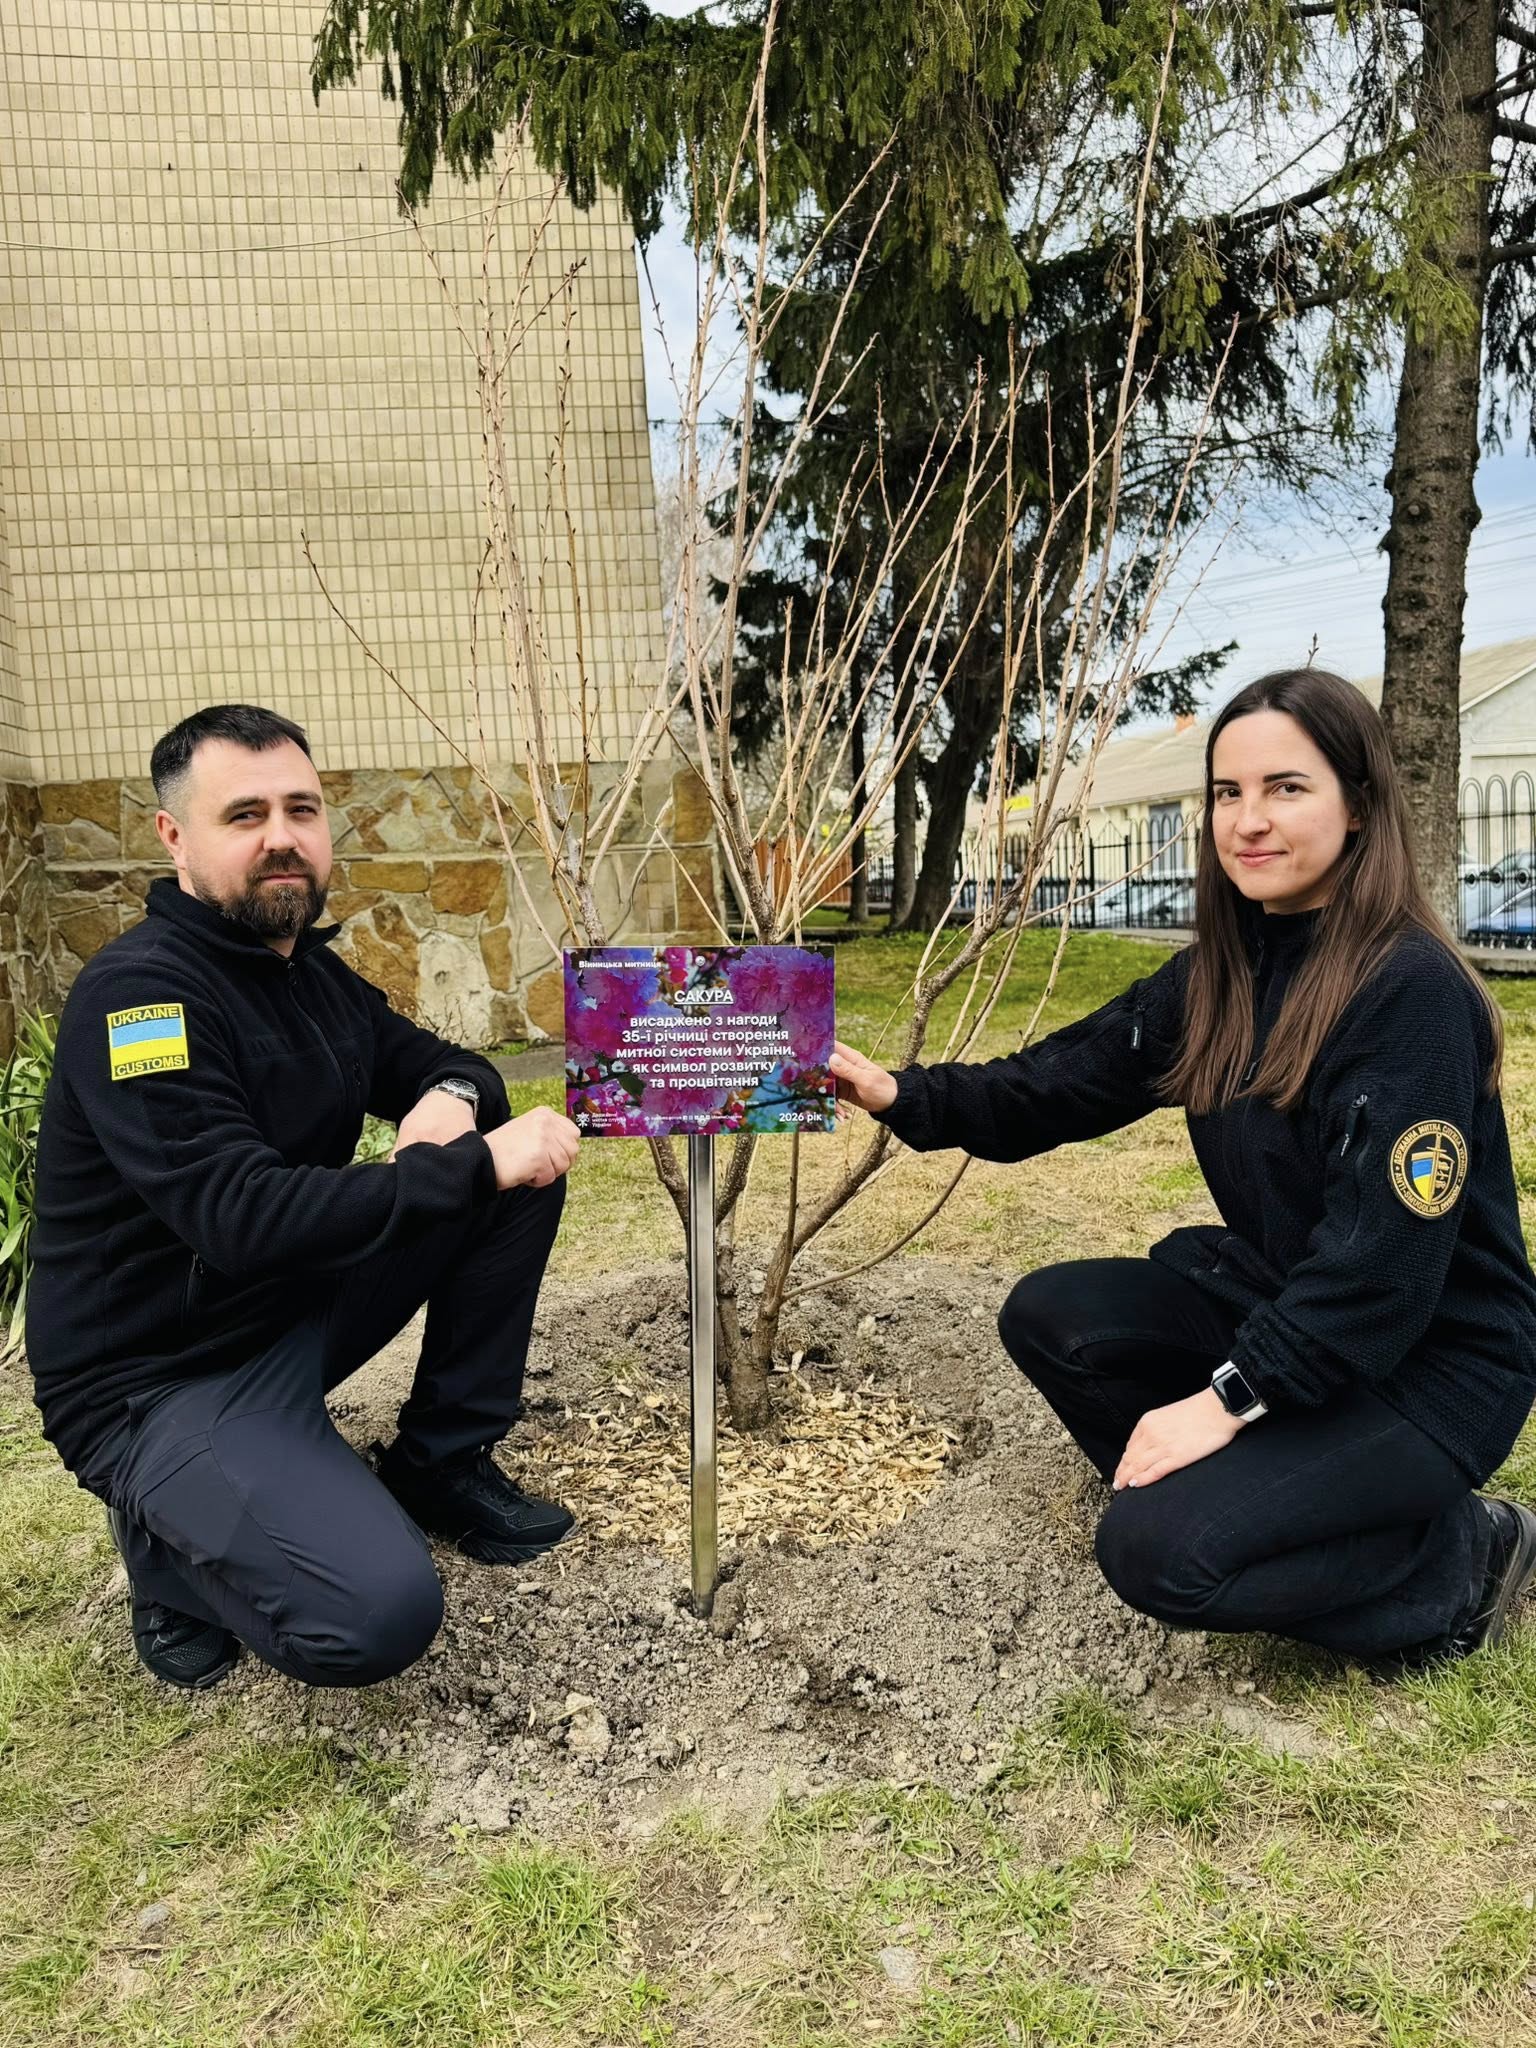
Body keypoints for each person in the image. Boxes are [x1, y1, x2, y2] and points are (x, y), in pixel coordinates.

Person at [831, 668, 1536, 1670]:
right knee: (1055, 1314)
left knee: (1158, 1555)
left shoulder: (1408, 993)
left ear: (1360, 807)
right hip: (1290, 1305)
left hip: (1427, 1363)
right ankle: (1273, 1485)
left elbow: (1379, 1279)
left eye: (1286, 787)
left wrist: (1224, 1399)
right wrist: (902, 1096)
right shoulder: (1225, 967)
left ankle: (1464, 1558)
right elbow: (1064, 1081)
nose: (1248, 819)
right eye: (1227, 792)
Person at [26, 705, 582, 1692]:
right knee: (377, 1615)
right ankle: (168, 1542)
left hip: (288, 1305)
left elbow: (455, 1069)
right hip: (158, 1379)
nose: (281, 835)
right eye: (244, 813)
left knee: (518, 1174)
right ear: (176, 836)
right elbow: (236, 1215)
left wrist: (449, 1105)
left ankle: (438, 1461)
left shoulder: (308, 970)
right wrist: (459, 1165)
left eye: (301, 807)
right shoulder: (139, 1002)